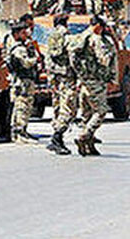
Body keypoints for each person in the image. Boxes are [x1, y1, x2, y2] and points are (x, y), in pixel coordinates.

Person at [67, 16, 116, 155]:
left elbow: (73, 58)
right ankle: (84, 136)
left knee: (86, 114)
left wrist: (80, 75)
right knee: (101, 111)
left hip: (83, 81)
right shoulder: (96, 39)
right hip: (95, 81)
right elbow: (105, 59)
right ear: (98, 26)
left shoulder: (79, 37)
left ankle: (89, 146)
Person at [44, 13, 77, 155]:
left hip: (55, 77)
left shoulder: (51, 36)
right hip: (66, 76)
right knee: (69, 108)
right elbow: (73, 56)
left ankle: (58, 137)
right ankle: (56, 138)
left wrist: (51, 77)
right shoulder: (67, 36)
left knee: (58, 106)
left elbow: (48, 57)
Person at [5, 20, 40, 142]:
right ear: (17, 34)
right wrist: (35, 58)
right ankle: (18, 133)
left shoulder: (23, 46)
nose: (26, 35)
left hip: (26, 82)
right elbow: (26, 63)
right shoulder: (18, 49)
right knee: (21, 107)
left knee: (26, 107)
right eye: (24, 33)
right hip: (21, 82)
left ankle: (23, 131)